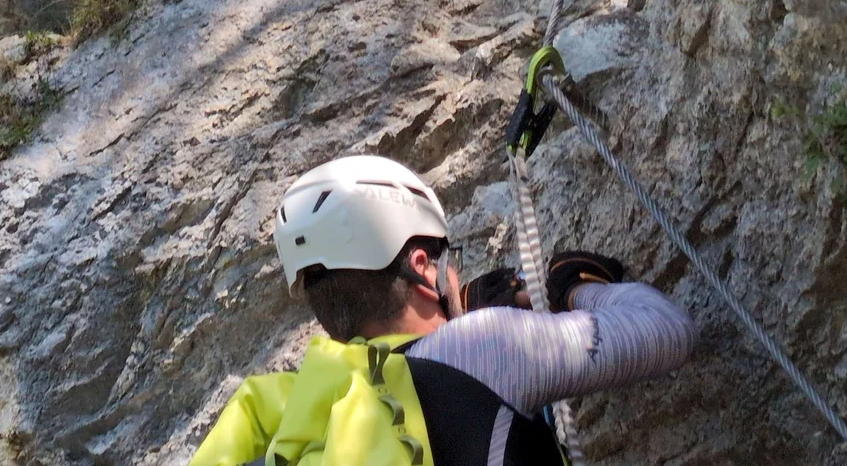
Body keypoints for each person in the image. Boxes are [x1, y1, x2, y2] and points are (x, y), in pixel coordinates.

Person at [188, 154, 697, 466]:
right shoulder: (485, 348)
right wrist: (569, 285)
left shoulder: (289, 417)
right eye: (450, 263)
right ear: (421, 267)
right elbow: (667, 330)